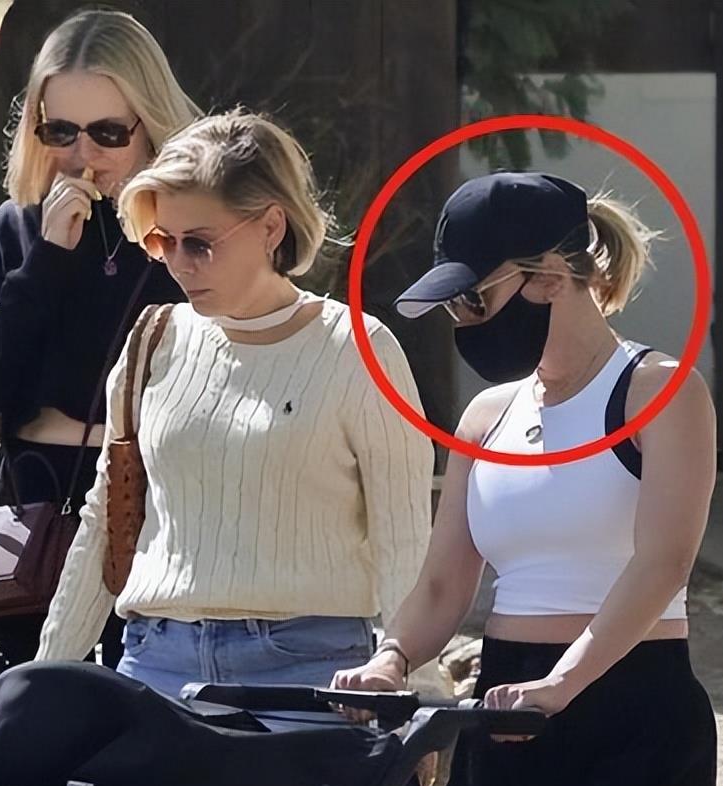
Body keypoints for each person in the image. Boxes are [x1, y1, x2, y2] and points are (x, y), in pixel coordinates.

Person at [334, 172, 718, 786]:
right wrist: (390, 659)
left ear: (549, 277)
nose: (464, 322)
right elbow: (442, 585)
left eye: (474, 300)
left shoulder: (658, 392)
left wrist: (562, 683)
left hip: (634, 708)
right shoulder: (485, 416)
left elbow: (663, 563)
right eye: (453, 306)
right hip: (505, 705)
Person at [33, 109, 440, 710]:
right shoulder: (155, 339)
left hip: (309, 668)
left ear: (271, 226)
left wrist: (419, 692)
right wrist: (44, 680)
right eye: (162, 241)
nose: (178, 263)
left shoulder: (357, 347)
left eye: (199, 243)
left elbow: (403, 539)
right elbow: (106, 521)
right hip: (155, 662)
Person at [0, 9, 198, 691]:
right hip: (38, 507)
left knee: (146, 726)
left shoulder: (190, 234)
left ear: (150, 125)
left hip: (164, 502)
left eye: (108, 133)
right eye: (60, 132)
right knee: (30, 723)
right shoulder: (15, 231)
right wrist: (46, 262)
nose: (83, 155)